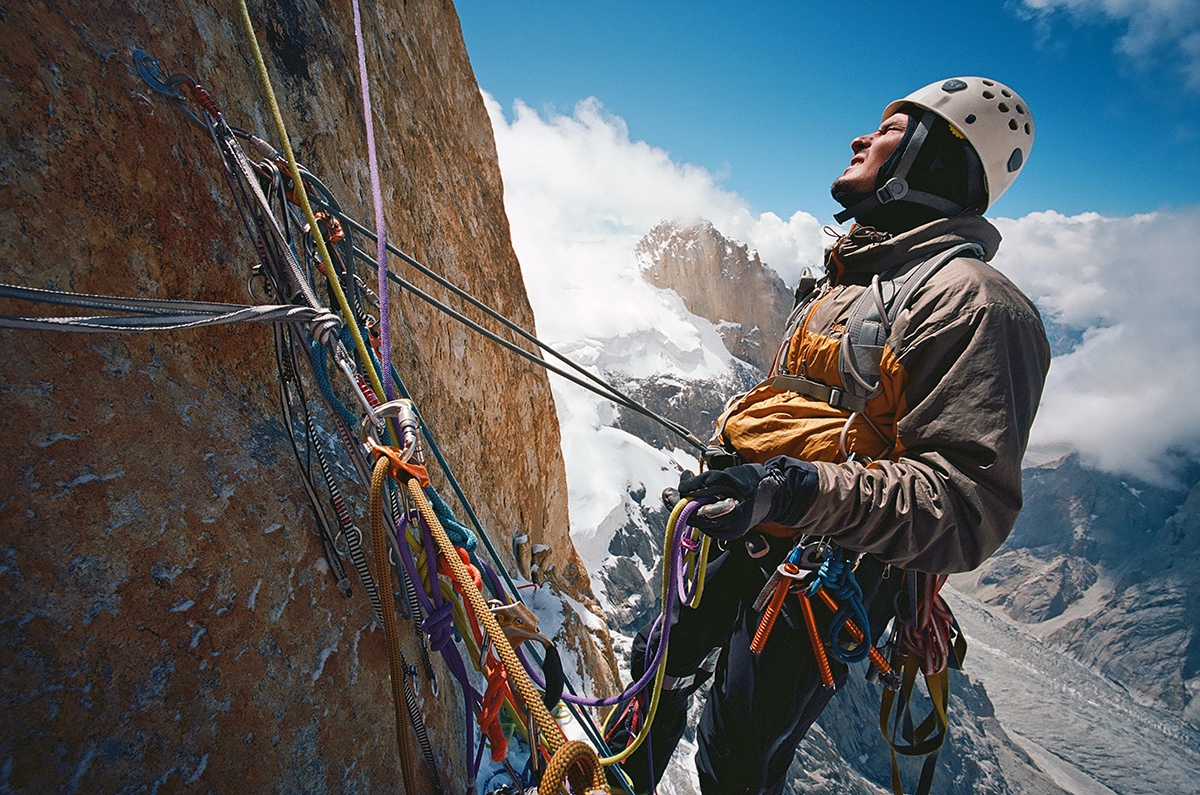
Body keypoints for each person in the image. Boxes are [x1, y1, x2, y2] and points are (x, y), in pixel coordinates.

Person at [616, 77, 1052, 793]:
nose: (859, 138)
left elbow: (965, 505)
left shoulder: (976, 303)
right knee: (656, 671)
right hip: (747, 517)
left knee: (739, 748)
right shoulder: (848, 278)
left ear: (935, 156)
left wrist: (793, 487)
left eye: (886, 129)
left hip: (823, 567)